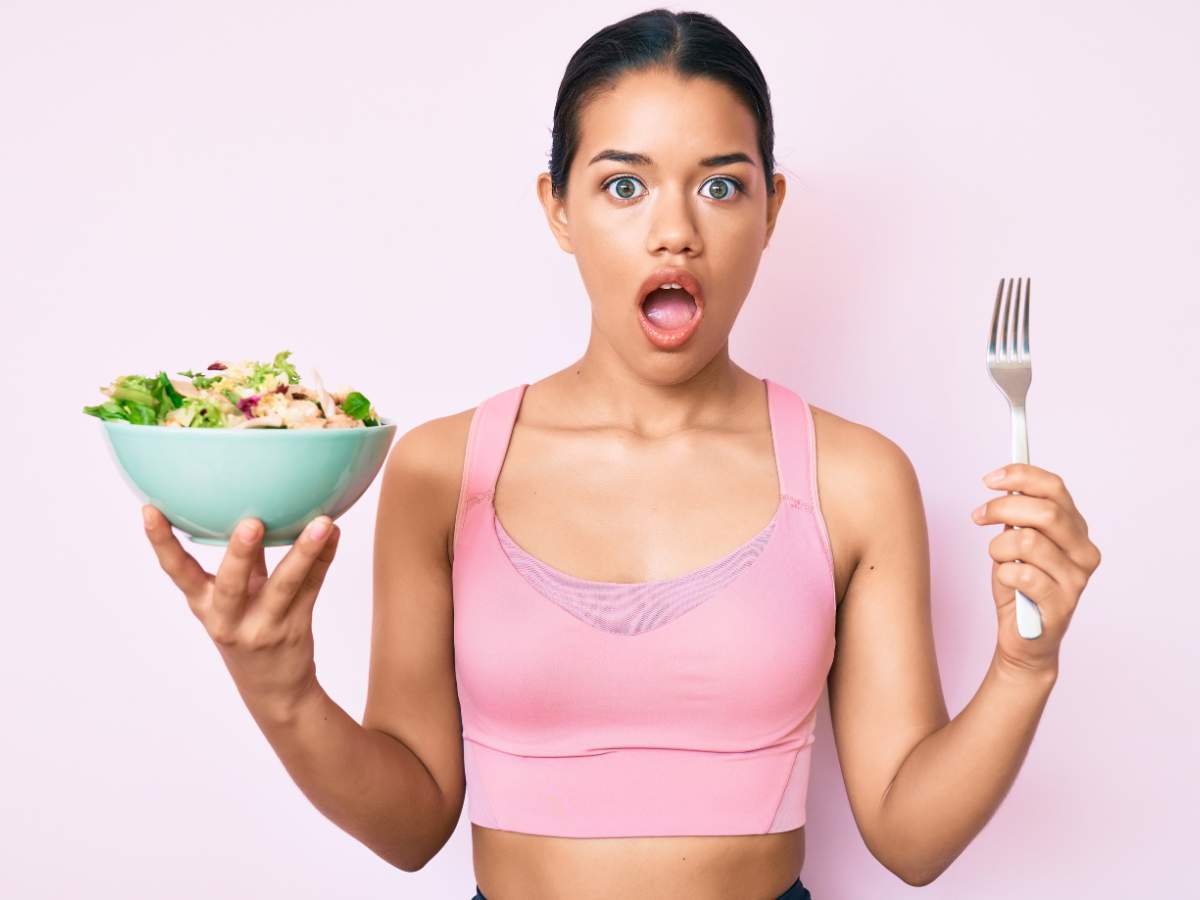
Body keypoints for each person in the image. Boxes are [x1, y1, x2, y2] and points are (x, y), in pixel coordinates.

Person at [141, 8, 1102, 898]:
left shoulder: (855, 479)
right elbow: (412, 824)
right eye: (624, 185)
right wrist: (281, 691)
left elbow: (909, 836)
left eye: (720, 185)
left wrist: (1027, 667)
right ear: (558, 207)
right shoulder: (442, 472)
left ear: (770, 209)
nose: (675, 230)